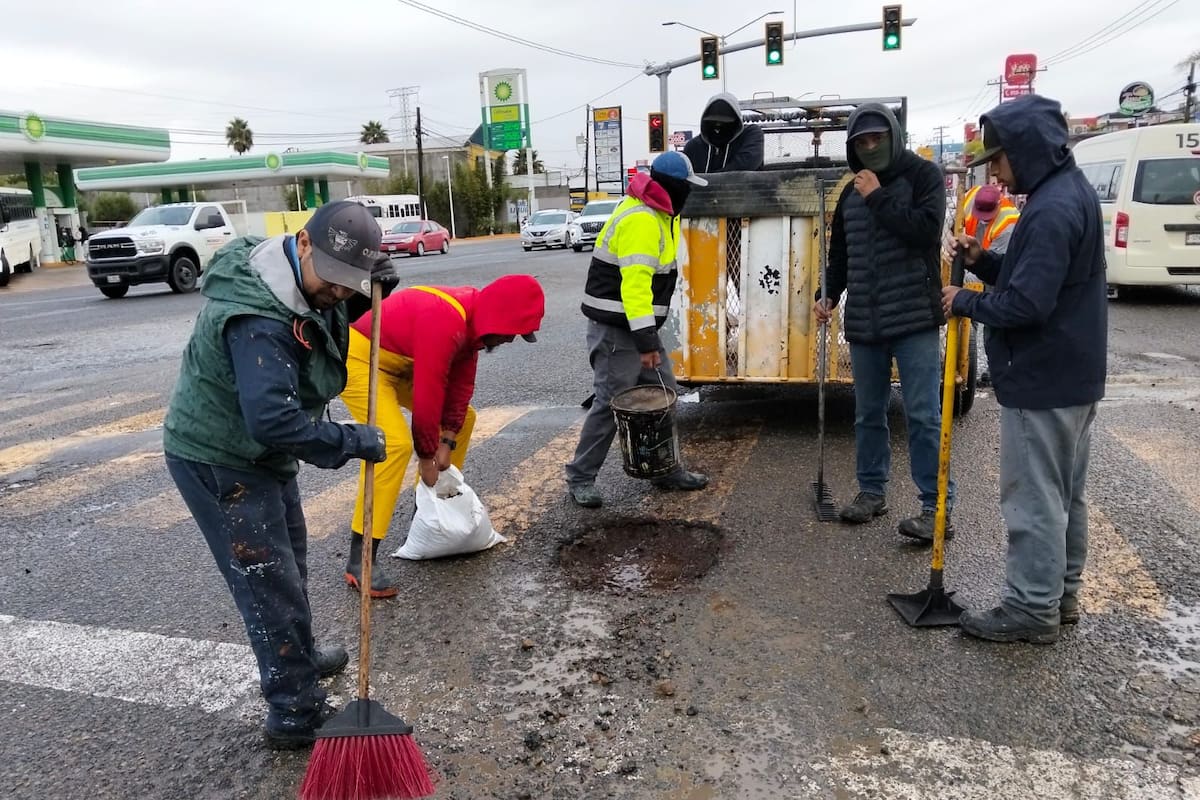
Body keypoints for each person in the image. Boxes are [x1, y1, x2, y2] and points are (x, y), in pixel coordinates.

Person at [163, 201, 391, 748]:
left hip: (261, 454)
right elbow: (272, 419)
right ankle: (294, 710)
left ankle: (298, 655)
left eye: (350, 283)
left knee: (290, 562)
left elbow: (320, 320)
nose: (338, 292)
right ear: (303, 243)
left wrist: (367, 293)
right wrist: (351, 440)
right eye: (332, 279)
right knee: (268, 582)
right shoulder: (259, 320)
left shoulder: (300, 276)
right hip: (221, 456)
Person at [942, 94, 1106, 644]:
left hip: (1043, 377)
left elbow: (1028, 305)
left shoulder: (1051, 209)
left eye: (999, 158)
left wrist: (964, 301)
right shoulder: (1067, 194)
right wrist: (983, 261)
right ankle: (1059, 596)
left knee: (1035, 499)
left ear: (1028, 149)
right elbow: (1032, 277)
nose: (994, 172)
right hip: (1071, 376)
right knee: (1063, 496)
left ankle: (1032, 609)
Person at [340, 275, 545, 596]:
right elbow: (429, 395)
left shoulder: (473, 321)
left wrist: (446, 443)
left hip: (401, 363)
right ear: (498, 317)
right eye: (511, 332)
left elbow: (460, 388)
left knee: (465, 418)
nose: (510, 340)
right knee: (393, 443)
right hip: (363, 361)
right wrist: (427, 458)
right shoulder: (445, 321)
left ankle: (427, 513)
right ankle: (360, 558)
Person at [812, 103, 951, 541]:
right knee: (868, 413)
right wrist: (827, 293)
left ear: (894, 136)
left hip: (914, 319)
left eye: (878, 138)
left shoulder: (923, 177)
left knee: (923, 415)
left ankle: (936, 508)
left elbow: (925, 232)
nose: (870, 147)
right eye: (862, 141)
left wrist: (877, 196)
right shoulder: (849, 194)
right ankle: (872, 492)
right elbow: (841, 257)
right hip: (865, 321)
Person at [565, 150, 710, 508]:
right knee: (610, 403)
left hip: (636, 327)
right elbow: (635, 288)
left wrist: (647, 338)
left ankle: (665, 469)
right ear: (673, 186)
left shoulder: (660, 212)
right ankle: (580, 477)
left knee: (664, 392)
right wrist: (647, 342)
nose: (689, 193)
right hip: (617, 330)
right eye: (687, 187)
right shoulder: (643, 219)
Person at [683, 92, 765, 174]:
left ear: (737, 121)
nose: (718, 126)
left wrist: (707, 180)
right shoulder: (694, 147)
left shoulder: (750, 134)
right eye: (712, 122)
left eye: (725, 122)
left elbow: (747, 163)